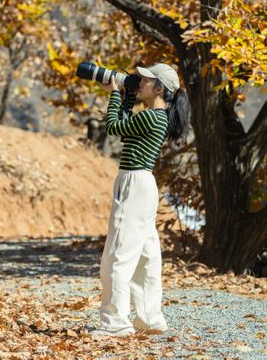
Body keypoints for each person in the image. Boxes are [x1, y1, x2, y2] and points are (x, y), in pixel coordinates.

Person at [89, 63, 191, 338]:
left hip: (133, 184)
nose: (139, 81)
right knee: (147, 256)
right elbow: (124, 130)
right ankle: (149, 318)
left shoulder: (152, 117)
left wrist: (113, 93)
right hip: (142, 184)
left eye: (145, 79)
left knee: (118, 254)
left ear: (159, 88)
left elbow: (112, 127)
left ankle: (115, 323)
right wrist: (128, 96)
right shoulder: (155, 116)